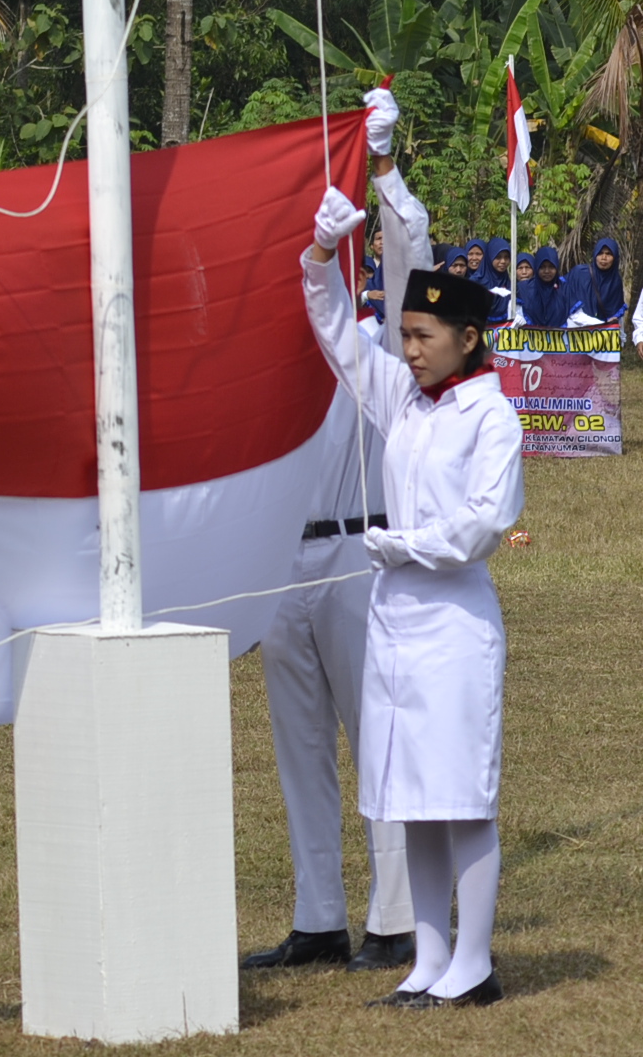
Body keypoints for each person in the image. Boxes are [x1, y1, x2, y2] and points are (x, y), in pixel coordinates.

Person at [306, 187, 522, 1009]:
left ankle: (474, 960)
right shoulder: (403, 399)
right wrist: (322, 259)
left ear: (469, 339)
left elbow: (481, 525)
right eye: (405, 335)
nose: (411, 349)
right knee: (416, 800)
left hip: (455, 619)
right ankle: (431, 958)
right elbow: (336, 338)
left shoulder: (490, 417)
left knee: (462, 796)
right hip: (397, 620)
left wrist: (404, 544)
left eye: (425, 336)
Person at [244, 88, 422, 975]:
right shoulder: (272, 355)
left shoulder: (378, 344)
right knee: (300, 746)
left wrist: (383, 168)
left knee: (375, 735)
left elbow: (414, 257)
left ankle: (394, 915)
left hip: (361, 548)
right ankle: (318, 915)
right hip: (285, 559)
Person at [567, 237, 626, 325]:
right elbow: (571, 308)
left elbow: (616, 316)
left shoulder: (615, 281)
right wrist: (601, 324)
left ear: (615, 257)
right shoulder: (579, 273)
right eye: (600, 253)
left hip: (602, 335)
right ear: (595, 255)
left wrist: (620, 336)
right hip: (575, 332)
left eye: (608, 254)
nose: (604, 258)